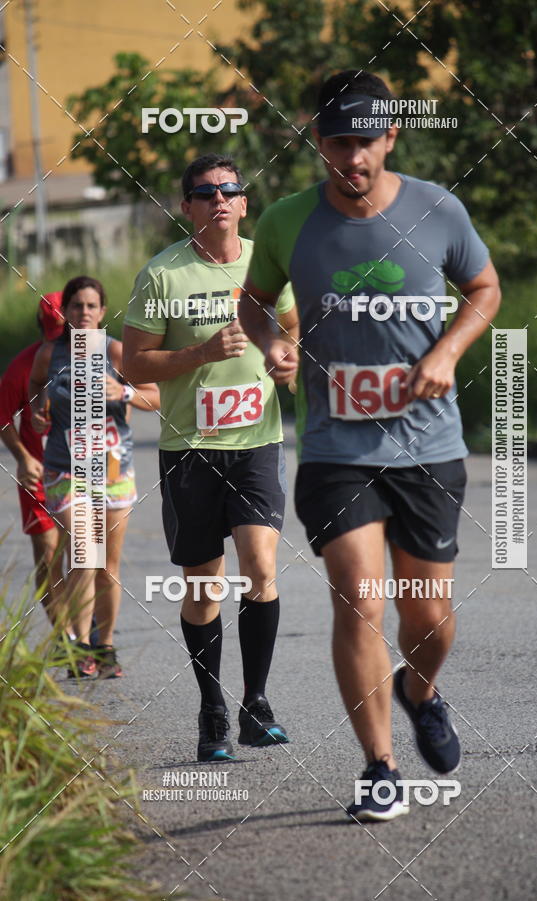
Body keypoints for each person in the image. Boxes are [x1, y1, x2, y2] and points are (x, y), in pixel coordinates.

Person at [239, 70, 502, 820]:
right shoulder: (290, 222)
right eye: (337, 143)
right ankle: (381, 767)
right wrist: (273, 344)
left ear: (392, 136)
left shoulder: (437, 210)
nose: (352, 157)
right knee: (359, 599)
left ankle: (418, 688)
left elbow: (486, 289)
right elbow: (255, 302)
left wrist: (448, 351)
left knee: (428, 615)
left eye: (366, 142)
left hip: (428, 445)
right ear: (317, 142)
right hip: (334, 448)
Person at [122, 153, 298, 762]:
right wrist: (199, 354)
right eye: (205, 192)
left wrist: (285, 353)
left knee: (260, 567)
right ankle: (212, 709)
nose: (219, 199)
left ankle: (256, 704)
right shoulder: (162, 275)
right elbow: (132, 365)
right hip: (189, 451)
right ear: (187, 207)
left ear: (244, 203)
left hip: (256, 443)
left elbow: (292, 326)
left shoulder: (267, 263)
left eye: (230, 189)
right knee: (203, 589)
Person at [29, 276, 160, 679]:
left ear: (102, 312)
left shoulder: (117, 352)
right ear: (65, 312)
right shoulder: (50, 353)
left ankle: (105, 648)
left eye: (91, 306)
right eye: (76, 306)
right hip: (66, 470)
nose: (84, 313)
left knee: (108, 566)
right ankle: (80, 647)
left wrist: (122, 394)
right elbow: (35, 389)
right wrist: (38, 409)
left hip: (113, 470)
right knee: (84, 553)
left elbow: (154, 397)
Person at [0, 292, 67, 624]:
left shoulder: (94, 357)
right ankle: (65, 638)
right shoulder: (22, 367)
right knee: (49, 556)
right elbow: (1, 417)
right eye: (53, 333)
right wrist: (23, 458)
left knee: (87, 558)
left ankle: (88, 636)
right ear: (41, 325)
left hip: (82, 472)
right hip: (39, 476)